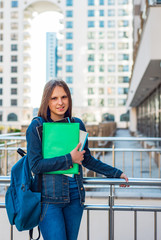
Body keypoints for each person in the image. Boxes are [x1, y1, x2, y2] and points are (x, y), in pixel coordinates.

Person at [26, 79, 128, 240]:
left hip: (75, 195)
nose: (60, 102)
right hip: (48, 199)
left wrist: (116, 173)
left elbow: (86, 159)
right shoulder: (37, 126)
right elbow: (36, 166)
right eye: (54, 98)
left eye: (64, 97)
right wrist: (69, 158)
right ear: (46, 101)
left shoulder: (77, 124)